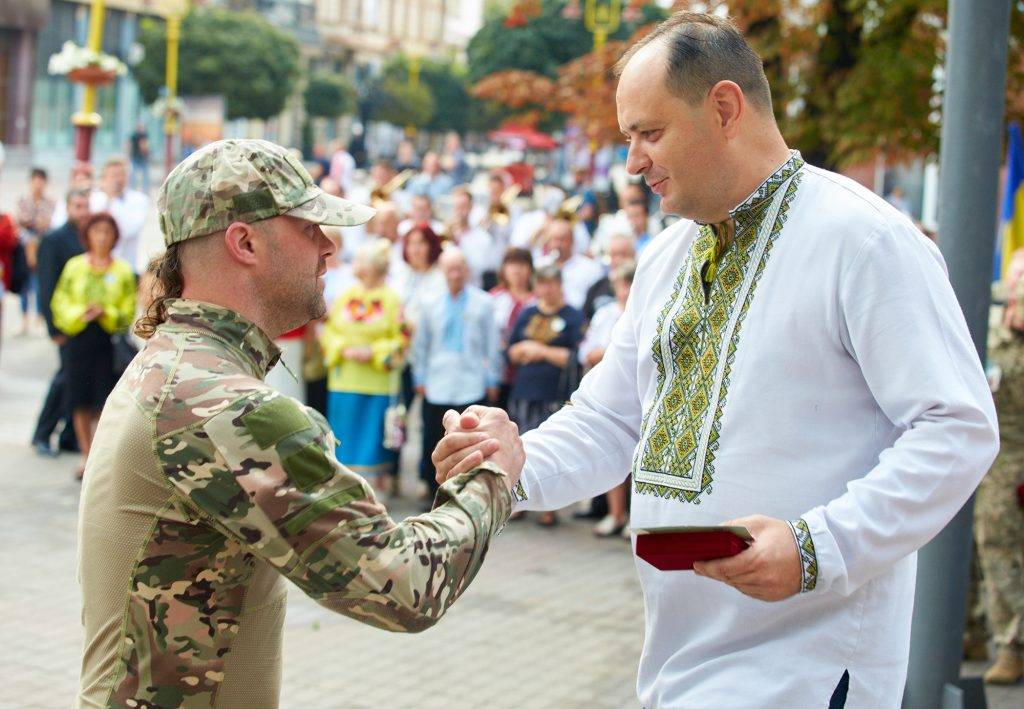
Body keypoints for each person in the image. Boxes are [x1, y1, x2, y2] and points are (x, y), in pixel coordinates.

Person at [434, 12, 998, 706]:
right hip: (678, 661)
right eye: (627, 138)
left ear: (724, 107)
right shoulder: (668, 258)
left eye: (649, 132)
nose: (632, 163)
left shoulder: (865, 240)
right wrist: (513, 463)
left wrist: (820, 545)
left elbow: (958, 427)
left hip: (809, 665)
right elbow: (610, 422)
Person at [76, 139, 520, 707]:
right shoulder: (224, 404)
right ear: (245, 242)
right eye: (309, 225)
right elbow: (405, 585)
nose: (328, 246)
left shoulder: (175, 362)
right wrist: (492, 476)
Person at [50, 212, 136, 478]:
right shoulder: (75, 266)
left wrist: (106, 312)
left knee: (103, 399)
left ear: (114, 237)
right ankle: (85, 454)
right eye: (96, 232)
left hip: (106, 343)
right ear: (87, 235)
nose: (101, 237)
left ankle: (99, 455)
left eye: (106, 232)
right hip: (79, 340)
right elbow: (60, 299)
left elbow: (128, 307)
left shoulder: (121, 270)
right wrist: (78, 313)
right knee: (79, 399)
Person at [413, 247, 501, 506]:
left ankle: (469, 490)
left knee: (471, 437)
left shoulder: (483, 302)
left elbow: (492, 344)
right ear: (442, 271)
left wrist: (492, 379)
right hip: (437, 381)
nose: (455, 273)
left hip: (471, 381)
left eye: (459, 267)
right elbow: (421, 344)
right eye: (450, 268)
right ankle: (433, 490)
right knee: (432, 437)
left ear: (467, 270)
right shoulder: (429, 302)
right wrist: (419, 377)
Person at [320, 238, 409, 492]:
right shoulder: (347, 296)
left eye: (359, 260)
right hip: (344, 381)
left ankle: (375, 493)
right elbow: (329, 331)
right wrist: (343, 348)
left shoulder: (391, 299)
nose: (354, 265)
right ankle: (346, 491)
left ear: (372, 266)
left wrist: (373, 352)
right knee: (345, 437)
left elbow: (402, 337)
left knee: (372, 440)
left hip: (377, 384)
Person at [973, 253, 1024, 685]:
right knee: (968, 553)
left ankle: (1013, 645)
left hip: (1014, 461)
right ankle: (972, 630)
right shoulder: (990, 327)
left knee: (1002, 550)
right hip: (977, 457)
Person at [505, 264, 584, 527]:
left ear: (559, 285)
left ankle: (549, 507)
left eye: (551, 283)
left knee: (551, 449)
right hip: (525, 391)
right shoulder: (528, 314)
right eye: (542, 283)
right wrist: (526, 350)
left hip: (553, 392)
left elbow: (574, 357)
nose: (546, 289)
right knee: (520, 448)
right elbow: (512, 351)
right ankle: (519, 500)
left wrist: (539, 351)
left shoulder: (572, 316)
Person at [577, 260, 635, 537]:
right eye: (621, 286)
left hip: (638, 391)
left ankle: (637, 519)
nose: (625, 291)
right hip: (605, 388)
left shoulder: (644, 312)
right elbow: (586, 351)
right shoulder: (604, 315)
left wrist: (606, 353)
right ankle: (616, 514)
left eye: (629, 284)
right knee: (614, 452)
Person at [31, 189, 91, 456]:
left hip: (86, 324)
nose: (82, 211)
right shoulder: (54, 240)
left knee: (77, 380)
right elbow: (46, 286)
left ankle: (68, 435)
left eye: (85, 206)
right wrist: (53, 328)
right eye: (77, 206)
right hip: (65, 323)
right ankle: (42, 434)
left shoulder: (87, 238)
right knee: (64, 379)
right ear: (67, 207)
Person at [389, 222, 445, 409]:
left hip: (426, 354)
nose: (416, 249)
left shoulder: (440, 278)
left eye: (421, 243)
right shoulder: (399, 274)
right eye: (411, 243)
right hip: (399, 353)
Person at [489, 248, 535, 410]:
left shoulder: (537, 300)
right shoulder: (494, 298)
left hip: (527, 367)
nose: (516, 270)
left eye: (522, 265)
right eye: (511, 264)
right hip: (499, 368)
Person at [90, 156, 150, 274]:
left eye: (121, 174)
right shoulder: (93, 199)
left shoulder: (139, 200)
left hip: (126, 267)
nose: (117, 180)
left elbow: (129, 229)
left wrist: (114, 199)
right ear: (104, 177)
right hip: (95, 268)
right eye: (113, 175)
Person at [15, 167, 55, 334]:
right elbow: (22, 221)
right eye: (35, 180)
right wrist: (35, 223)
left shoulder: (50, 202)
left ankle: (39, 318)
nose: (38, 184)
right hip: (24, 247)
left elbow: (47, 223)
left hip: (42, 246)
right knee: (24, 285)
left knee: (40, 284)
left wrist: (35, 223)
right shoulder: (23, 200)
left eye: (41, 180)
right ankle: (24, 319)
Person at [541, 216, 604, 310]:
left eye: (562, 239)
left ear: (572, 240)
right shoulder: (540, 265)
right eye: (554, 239)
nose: (557, 244)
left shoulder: (590, 268)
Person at [447, 185, 500, 289]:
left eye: (464, 206)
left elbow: (482, 267)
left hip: (473, 287)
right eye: (457, 206)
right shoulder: (445, 234)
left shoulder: (483, 237)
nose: (460, 211)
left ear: (471, 207)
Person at [583, 233, 636, 323]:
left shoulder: (642, 285)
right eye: (614, 254)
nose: (619, 259)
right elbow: (586, 322)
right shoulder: (597, 288)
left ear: (634, 255)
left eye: (623, 254)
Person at [128, 123, 151, 193]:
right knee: (143, 175)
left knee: (135, 175)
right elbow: (144, 146)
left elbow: (129, 145)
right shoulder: (143, 135)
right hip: (140, 157)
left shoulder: (134, 135)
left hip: (136, 157)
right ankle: (144, 190)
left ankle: (133, 190)